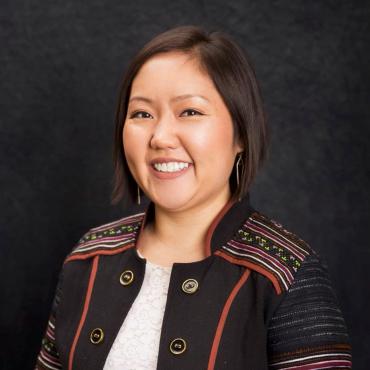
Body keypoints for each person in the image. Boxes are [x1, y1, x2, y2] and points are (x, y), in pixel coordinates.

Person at [35, 25, 352, 370]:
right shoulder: (89, 258)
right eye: (142, 113)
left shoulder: (286, 273)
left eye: (190, 112)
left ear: (241, 133)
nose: (160, 136)